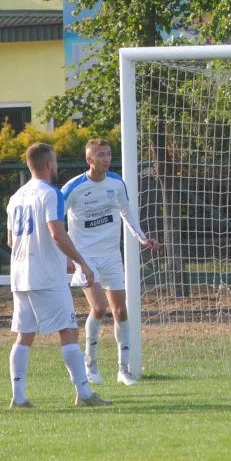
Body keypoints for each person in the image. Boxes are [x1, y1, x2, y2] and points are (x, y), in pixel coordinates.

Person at [8, 142, 111, 408]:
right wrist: (80, 262)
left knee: (24, 335)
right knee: (68, 330)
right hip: (45, 276)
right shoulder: (51, 193)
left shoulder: (16, 196)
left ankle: (18, 397)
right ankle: (85, 394)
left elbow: (12, 240)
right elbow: (56, 233)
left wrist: (61, 257)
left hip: (19, 275)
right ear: (49, 164)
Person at [62, 138, 160, 386]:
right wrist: (66, 256)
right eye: (100, 155)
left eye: (108, 154)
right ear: (89, 159)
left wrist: (142, 238)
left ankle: (123, 369)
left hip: (111, 256)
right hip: (85, 259)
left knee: (120, 311)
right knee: (99, 308)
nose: (106, 159)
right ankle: (90, 364)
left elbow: (126, 212)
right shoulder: (73, 188)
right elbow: (55, 221)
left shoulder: (116, 183)